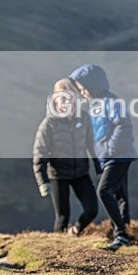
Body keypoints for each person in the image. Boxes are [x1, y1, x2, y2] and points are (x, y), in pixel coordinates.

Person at [69, 64, 138, 251]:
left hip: (118, 157)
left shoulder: (112, 102)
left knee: (104, 191)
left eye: (83, 88)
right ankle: (125, 233)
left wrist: (109, 150)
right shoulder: (96, 104)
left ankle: (121, 234)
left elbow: (124, 126)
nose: (82, 92)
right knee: (119, 194)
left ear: (93, 85)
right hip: (112, 157)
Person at [32, 78, 99, 236]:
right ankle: (58, 250)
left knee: (92, 210)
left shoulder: (84, 118)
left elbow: (92, 145)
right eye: (61, 98)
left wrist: (100, 167)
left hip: (81, 172)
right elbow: (40, 152)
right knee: (62, 217)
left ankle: (74, 231)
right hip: (58, 175)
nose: (65, 102)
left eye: (69, 98)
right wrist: (42, 180)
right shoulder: (49, 124)